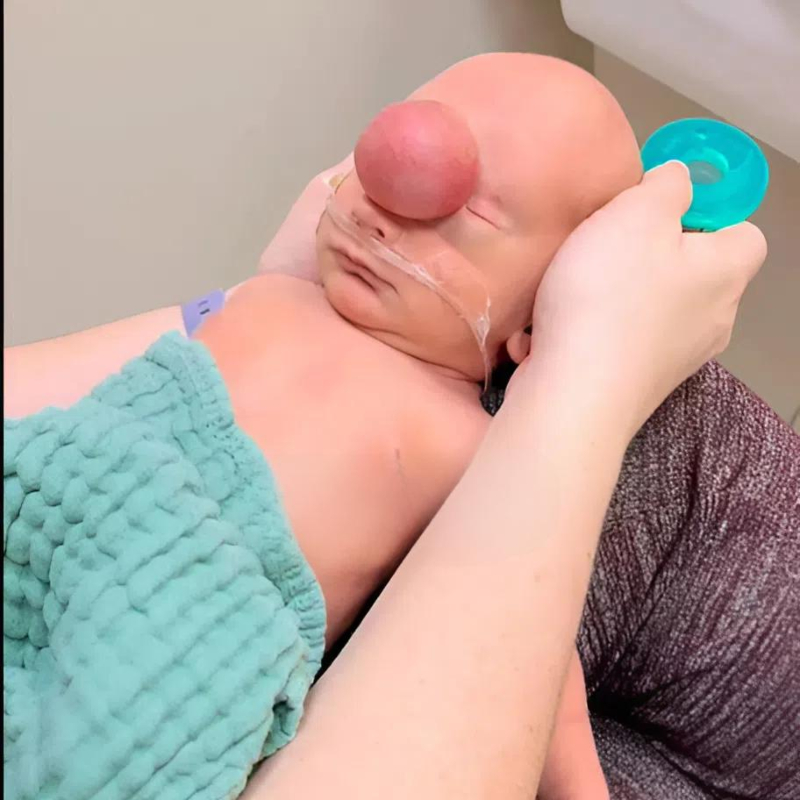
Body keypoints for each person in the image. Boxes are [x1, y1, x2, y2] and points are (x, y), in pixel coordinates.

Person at [3, 53, 768, 800]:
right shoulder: (264, 298)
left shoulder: (472, 449)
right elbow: (110, 394)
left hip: (174, 637)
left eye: (472, 213)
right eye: (391, 162)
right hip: (61, 507)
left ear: (537, 324)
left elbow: (533, 659)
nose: (386, 218)